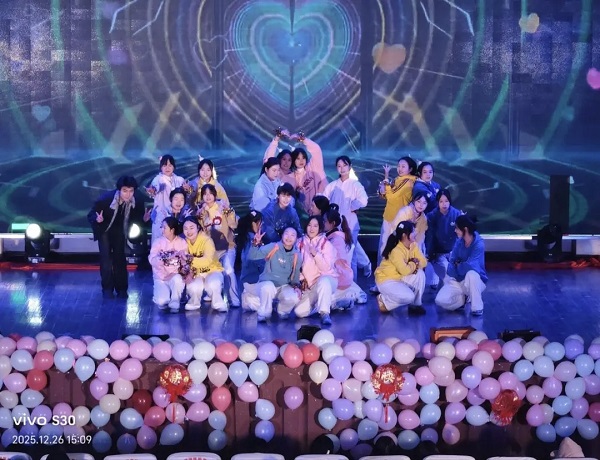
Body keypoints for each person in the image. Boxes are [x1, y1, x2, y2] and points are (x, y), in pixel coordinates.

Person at [87, 175, 149, 299]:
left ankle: (122, 289)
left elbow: (137, 220)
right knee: (106, 260)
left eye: (131, 191)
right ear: (119, 190)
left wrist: (144, 220)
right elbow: (91, 215)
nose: (128, 194)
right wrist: (98, 219)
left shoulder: (137, 201)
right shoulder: (105, 200)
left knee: (120, 259)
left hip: (120, 230)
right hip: (104, 229)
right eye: (125, 191)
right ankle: (107, 289)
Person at [321, 155, 370, 279]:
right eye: (339, 166)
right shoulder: (332, 185)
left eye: (344, 165)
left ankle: (352, 284)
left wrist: (352, 206)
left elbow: (364, 200)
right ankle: (339, 281)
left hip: (350, 224)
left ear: (349, 166)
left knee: (351, 255)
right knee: (335, 253)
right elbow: (323, 200)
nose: (342, 168)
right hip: (335, 226)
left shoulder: (355, 185)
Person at [243, 227, 303, 322]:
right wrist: (255, 243)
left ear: (296, 239)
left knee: (295, 296)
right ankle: (264, 314)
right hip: (266, 285)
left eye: (293, 235)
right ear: (282, 235)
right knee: (268, 287)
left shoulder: (297, 255)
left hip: (282, 286)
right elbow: (252, 256)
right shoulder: (273, 247)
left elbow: (295, 275)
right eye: (286, 233)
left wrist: (296, 286)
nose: (289, 237)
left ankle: (282, 311)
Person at [435, 214, 488, 316]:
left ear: (465, 229)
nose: (455, 231)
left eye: (457, 228)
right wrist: (459, 266)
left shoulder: (479, 244)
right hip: (458, 279)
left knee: (472, 274)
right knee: (440, 300)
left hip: (475, 281)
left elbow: (472, 266)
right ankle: (463, 300)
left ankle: (477, 307)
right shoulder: (458, 242)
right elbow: (451, 266)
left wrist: (458, 265)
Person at [197, 184, 240, 307]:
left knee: (228, 269)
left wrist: (229, 212)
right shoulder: (201, 212)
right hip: (211, 249)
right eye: (205, 194)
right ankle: (213, 294)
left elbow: (234, 225)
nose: (208, 196)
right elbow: (201, 232)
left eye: (210, 193)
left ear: (215, 195)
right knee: (211, 271)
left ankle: (234, 299)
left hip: (227, 246)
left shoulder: (223, 207)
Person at [374, 221, 427, 315]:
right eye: (413, 231)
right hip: (387, 280)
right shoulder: (396, 250)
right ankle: (384, 301)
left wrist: (412, 264)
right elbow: (404, 270)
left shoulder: (413, 245)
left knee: (420, 274)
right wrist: (413, 262)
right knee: (409, 297)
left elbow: (424, 262)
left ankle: (415, 305)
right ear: (404, 235)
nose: (415, 233)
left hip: (399, 277)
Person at [295, 216, 338, 325]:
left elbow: (326, 268)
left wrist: (315, 254)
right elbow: (294, 265)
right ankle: (331, 303)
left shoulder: (326, 244)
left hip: (327, 280)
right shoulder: (299, 243)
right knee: (299, 312)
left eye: (315, 226)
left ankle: (324, 313)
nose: (312, 228)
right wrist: (301, 278)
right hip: (310, 286)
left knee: (324, 281)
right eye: (309, 225)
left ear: (319, 228)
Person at [323, 205, 368, 310]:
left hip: (339, 279)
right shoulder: (334, 237)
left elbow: (339, 263)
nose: (322, 223)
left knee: (323, 302)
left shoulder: (336, 240)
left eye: (324, 221)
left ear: (332, 223)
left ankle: (347, 298)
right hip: (341, 277)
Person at [181, 216, 227, 312]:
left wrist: (190, 260)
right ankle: (194, 302)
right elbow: (183, 262)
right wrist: (189, 273)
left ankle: (218, 302)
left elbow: (207, 261)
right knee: (194, 286)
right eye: (185, 228)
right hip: (196, 272)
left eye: (191, 228)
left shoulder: (207, 240)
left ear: (198, 227)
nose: (188, 231)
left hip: (212, 270)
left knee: (213, 283)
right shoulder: (184, 242)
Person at [377, 156, 418, 261]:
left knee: (393, 248)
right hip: (389, 216)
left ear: (410, 169)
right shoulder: (398, 180)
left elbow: (391, 196)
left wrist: (386, 180)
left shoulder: (408, 182)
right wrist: (383, 189)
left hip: (399, 220)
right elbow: (386, 196)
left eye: (403, 166)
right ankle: (382, 269)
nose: (400, 169)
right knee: (384, 246)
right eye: (398, 166)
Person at [424, 189, 462, 289]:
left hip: (453, 252)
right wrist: (429, 254)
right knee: (447, 276)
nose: (444, 204)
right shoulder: (431, 216)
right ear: (437, 202)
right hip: (438, 254)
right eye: (441, 201)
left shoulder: (457, 214)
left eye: (446, 201)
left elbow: (461, 236)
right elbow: (430, 236)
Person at [148, 216, 188, 311]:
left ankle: (175, 301)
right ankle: (163, 297)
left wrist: (175, 273)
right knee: (162, 301)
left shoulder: (182, 242)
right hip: (161, 278)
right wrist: (163, 274)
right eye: (162, 227)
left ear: (172, 230)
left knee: (178, 279)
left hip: (175, 276)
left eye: (164, 227)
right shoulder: (158, 242)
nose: (162, 229)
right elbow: (152, 260)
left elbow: (185, 263)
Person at [147, 155, 189, 243]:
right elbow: (155, 188)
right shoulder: (158, 179)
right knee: (160, 242)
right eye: (164, 165)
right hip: (161, 217)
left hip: (177, 216)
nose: (167, 168)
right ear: (161, 167)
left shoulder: (179, 180)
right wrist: (153, 190)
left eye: (170, 165)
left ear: (174, 167)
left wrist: (188, 190)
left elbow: (187, 193)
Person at [236, 211, 266, 289]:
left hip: (246, 279)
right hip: (252, 279)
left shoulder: (244, 237)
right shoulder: (252, 240)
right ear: (254, 224)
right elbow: (251, 260)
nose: (262, 225)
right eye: (261, 223)